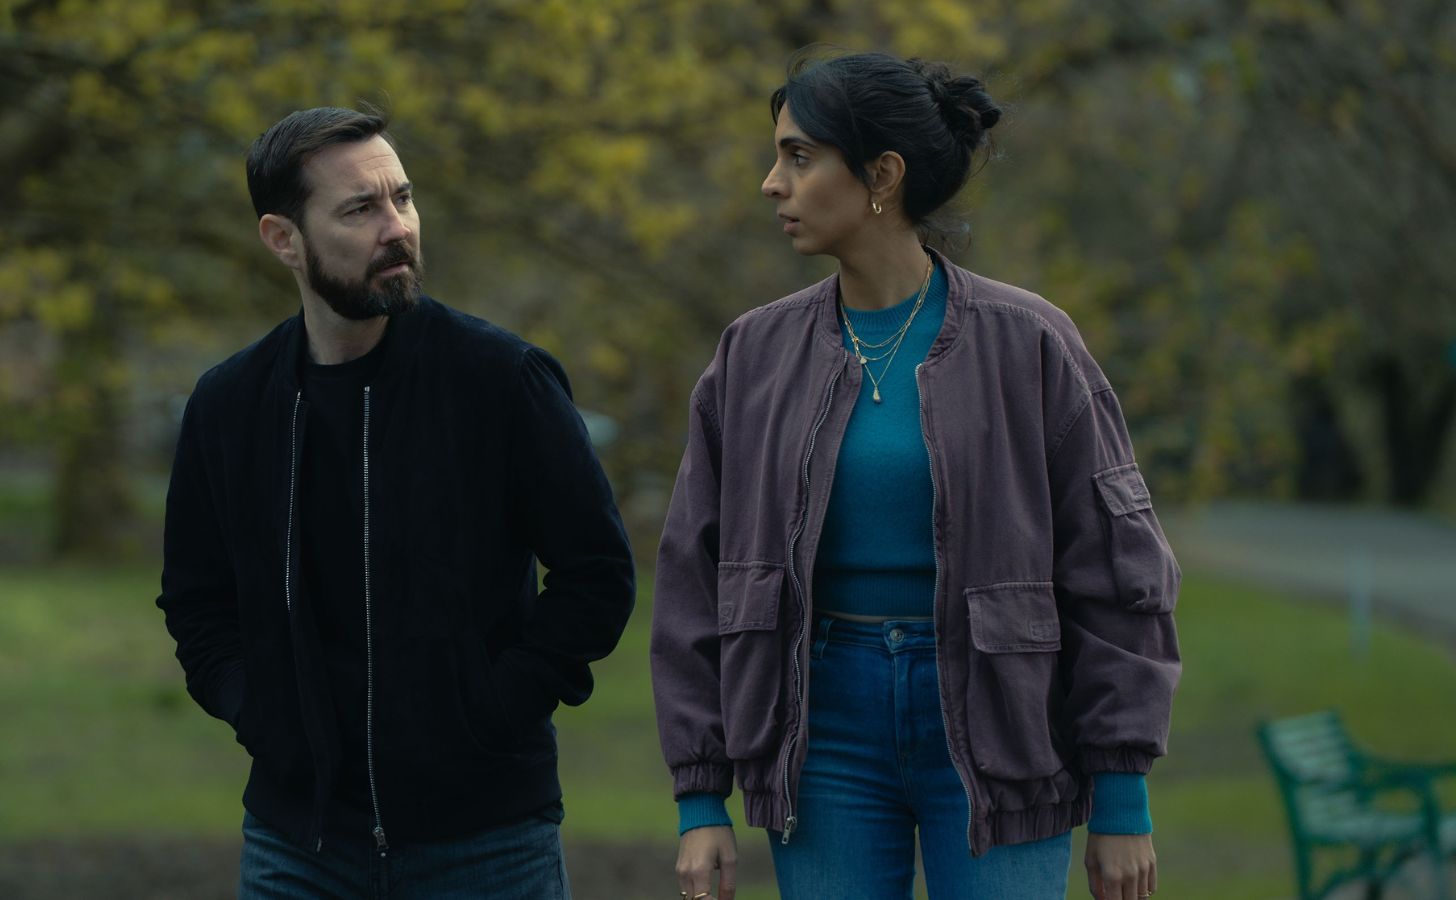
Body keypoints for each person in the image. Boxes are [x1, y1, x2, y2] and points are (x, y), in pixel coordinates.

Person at [651, 51, 1181, 900]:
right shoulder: (752, 355)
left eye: (797, 156)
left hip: (1001, 723)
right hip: (821, 730)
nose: (769, 184)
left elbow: (1117, 573)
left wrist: (1122, 796)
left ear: (881, 177)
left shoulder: (1031, 343)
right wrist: (699, 796)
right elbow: (690, 579)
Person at [156, 106, 636, 899]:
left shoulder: (500, 380)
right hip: (296, 843)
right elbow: (197, 602)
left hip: (486, 840)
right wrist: (258, 714)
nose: (397, 228)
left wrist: (493, 709)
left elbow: (597, 575)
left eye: (402, 198)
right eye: (359, 209)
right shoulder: (230, 404)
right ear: (283, 239)